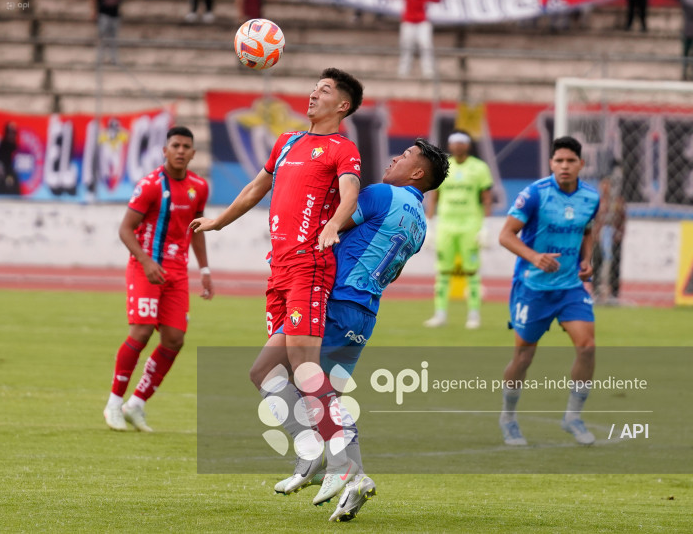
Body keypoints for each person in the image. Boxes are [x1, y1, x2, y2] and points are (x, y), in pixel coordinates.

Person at [248, 139, 449, 521]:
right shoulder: (420, 223)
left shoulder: (381, 194)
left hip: (334, 302)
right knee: (322, 397)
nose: (395, 158)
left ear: (418, 173)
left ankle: (342, 468)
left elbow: (332, 224)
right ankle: (338, 475)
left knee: (267, 372)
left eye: (405, 156)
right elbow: (394, 270)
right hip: (365, 313)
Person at [190, 67, 364, 492]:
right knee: (265, 373)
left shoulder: (343, 148)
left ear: (342, 105)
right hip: (280, 270)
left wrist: (332, 227)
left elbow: (350, 195)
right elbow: (254, 188)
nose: (313, 94)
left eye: (324, 91)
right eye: (313, 87)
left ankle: (344, 465)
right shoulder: (287, 142)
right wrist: (219, 222)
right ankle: (309, 451)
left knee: (306, 369)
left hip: (310, 266)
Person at [103, 126, 213, 432]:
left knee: (174, 339)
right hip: (146, 268)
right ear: (165, 151)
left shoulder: (199, 187)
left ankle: (136, 404)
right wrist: (145, 260)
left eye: (186, 146)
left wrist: (204, 270)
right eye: (175, 145)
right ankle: (113, 402)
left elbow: (197, 230)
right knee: (141, 332)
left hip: (176, 273)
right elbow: (125, 229)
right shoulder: (151, 185)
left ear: (193, 153)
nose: (180, 151)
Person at [497, 136, 600, 447]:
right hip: (532, 288)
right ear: (551, 163)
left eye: (570, 161)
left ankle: (572, 417)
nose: (564, 166)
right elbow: (506, 235)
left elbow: (586, 229)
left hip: (570, 287)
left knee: (587, 347)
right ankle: (509, 417)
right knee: (524, 356)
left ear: (581, 164)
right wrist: (534, 257)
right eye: (559, 161)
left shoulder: (590, 198)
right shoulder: (535, 195)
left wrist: (587, 258)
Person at [424, 129, 493, 330]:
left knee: (471, 273)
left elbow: (487, 198)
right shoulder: (444, 166)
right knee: (443, 272)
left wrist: (486, 226)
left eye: (462, 142)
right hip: (446, 225)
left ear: (468, 145)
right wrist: (430, 225)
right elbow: (434, 197)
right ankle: (440, 314)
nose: (458, 146)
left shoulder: (479, 168)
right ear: (450, 145)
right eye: (454, 142)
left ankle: (473, 315)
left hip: (470, 225)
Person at [391, 0, 443, 79]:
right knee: (406, 46)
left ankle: (428, 71)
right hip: (408, 22)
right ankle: (403, 71)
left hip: (422, 22)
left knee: (426, 45)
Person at [592, 176, 626, 304]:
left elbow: (623, 219)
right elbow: (592, 221)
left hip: (614, 238)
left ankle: (614, 293)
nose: (605, 188)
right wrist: (594, 234)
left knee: (615, 265)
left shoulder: (618, 202)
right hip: (599, 238)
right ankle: (596, 291)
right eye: (603, 185)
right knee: (597, 262)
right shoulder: (597, 202)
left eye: (607, 185)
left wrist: (619, 234)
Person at [93, 0, 124, 65]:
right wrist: (94, 12)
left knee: (114, 38)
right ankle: (100, 58)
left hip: (115, 15)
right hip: (103, 14)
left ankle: (114, 59)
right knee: (102, 38)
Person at [0, 121, 20, 195]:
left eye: (13, 133)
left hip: (10, 170)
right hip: (3, 170)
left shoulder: (15, 146)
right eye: (10, 133)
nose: (12, 136)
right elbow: (3, 162)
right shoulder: (4, 145)